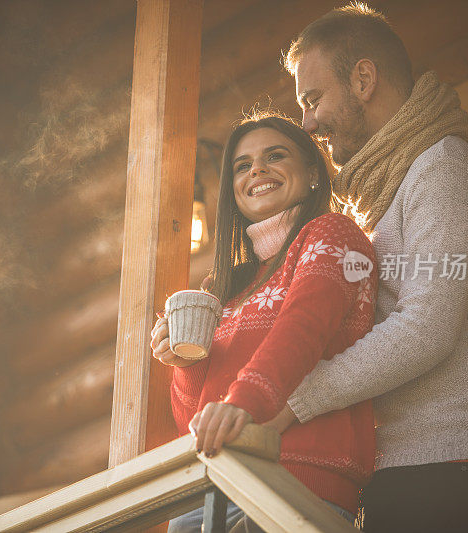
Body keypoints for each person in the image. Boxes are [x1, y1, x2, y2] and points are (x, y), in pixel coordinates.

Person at [270, 4, 468, 532]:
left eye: (313, 97)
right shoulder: (384, 194)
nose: (307, 121)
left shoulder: (443, 169)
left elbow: (426, 329)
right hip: (418, 474)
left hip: (460, 473)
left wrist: (294, 402)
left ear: (364, 79)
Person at [150, 113, 379, 531]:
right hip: (204, 491)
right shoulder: (226, 286)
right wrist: (185, 364)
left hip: (292, 483)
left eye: (275, 155)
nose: (257, 169)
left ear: (313, 173)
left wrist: (241, 403)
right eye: (243, 165)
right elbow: (195, 423)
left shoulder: (334, 236)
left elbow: (302, 329)